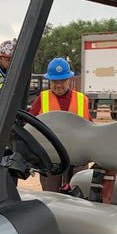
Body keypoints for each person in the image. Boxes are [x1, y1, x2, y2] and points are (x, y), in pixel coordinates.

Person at [28, 57, 91, 191]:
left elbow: (90, 128)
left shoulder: (82, 100)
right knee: (51, 196)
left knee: (78, 195)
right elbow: (29, 125)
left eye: (62, 81)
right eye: (55, 81)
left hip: (76, 160)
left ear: (69, 80)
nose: (59, 85)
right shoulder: (41, 99)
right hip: (50, 159)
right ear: (49, 81)